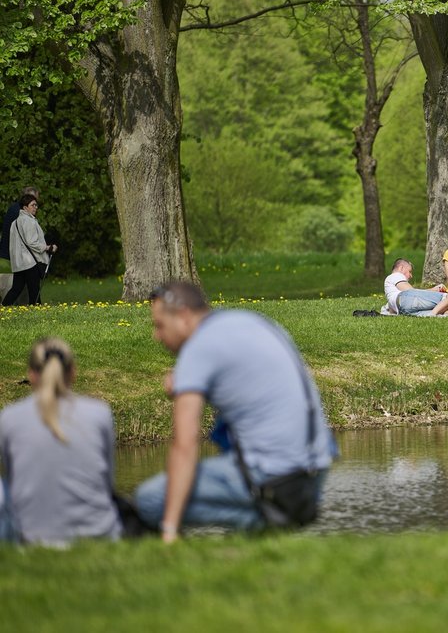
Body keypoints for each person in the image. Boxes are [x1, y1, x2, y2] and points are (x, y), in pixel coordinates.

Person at [135, 282, 336, 542]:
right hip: (315, 472)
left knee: (149, 500)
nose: (157, 336)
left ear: (183, 317)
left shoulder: (199, 348)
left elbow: (184, 444)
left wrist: (169, 528)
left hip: (276, 479)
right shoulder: (250, 321)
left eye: (159, 325)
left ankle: (271, 520)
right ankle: (275, 520)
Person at [0, 338, 122, 545]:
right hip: (100, 532)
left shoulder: (9, 418)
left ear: (31, 374)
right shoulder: (100, 413)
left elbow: (14, 478)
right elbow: (107, 482)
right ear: (73, 372)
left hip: (32, 536)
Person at [2, 193, 56, 306]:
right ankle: (37, 313)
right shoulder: (29, 221)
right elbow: (32, 242)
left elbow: (13, 245)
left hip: (19, 263)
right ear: (25, 207)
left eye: (36, 205)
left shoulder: (15, 223)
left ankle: (4, 308)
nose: (36, 207)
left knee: (16, 289)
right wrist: (47, 247)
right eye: (33, 205)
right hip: (30, 263)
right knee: (34, 290)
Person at [382, 258, 448, 316]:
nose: (411, 276)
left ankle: (437, 313)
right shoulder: (396, 275)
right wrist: (433, 290)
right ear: (401, 268)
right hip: (406, 300)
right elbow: (411, 292)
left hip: (402, 309)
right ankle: (433, 314)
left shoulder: (390, 288)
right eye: (410, 271)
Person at [0, 186, 38, 262]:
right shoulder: (19, 213)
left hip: (8, 256)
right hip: (11, 259)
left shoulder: (15, 208)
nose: (36, 205)